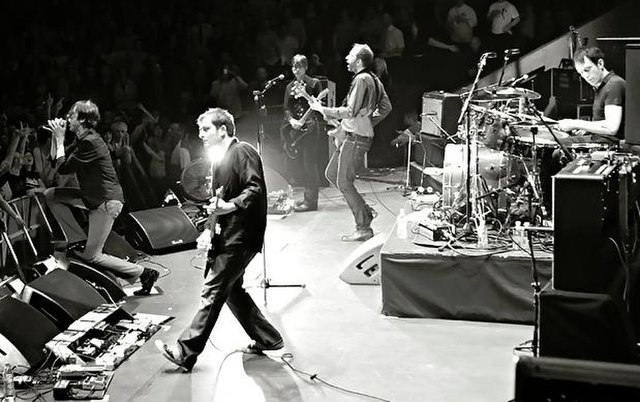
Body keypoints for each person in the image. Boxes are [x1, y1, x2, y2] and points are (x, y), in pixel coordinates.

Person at [155, 108, 283, 372]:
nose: (200, 135)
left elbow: (254, 188)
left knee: (213, 290)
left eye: (206, 129)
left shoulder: (242, 151)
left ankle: (185, 351)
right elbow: (219, 202)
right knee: (232, 291)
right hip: (228, 234)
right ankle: (268, 338)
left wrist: (231, 206)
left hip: (241, 235)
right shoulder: (219, 159)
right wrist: (209, 228)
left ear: (223, 129)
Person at [44, 100, 158, 295]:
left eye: (71, 115)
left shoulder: (91, 142)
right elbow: (56, 161)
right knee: (51, 195)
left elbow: (63, 169)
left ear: (82, 119)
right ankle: (75, 238)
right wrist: (57, 138)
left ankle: (144, 273)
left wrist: (60, 138)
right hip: (92, 197)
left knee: (92, 256)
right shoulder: (82, 139)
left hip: (106, 202)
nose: (67, 119)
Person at [308, 43, 392, 242]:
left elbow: (350, 111)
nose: (346, 58)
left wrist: (322, 110)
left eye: (350, 55)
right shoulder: (374, 79)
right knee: (331, 174)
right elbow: (386, 107)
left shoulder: (362, 79)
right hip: (354, 136)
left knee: (344, 181)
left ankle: (363, 227)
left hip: (355, 139)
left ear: (359, 60)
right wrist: (368, 122)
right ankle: (365, 212)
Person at [557, 47, 626, 142]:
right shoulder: (602, 86)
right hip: (601, 139)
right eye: (581, 73)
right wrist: (588, 128)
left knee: (559, 146)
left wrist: (575, 123)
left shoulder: (614, 85)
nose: (585, 76)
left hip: (613, 145)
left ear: (600, 64)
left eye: (587, 70)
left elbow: (611, 127)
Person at [283, 54, 323, 212]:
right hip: (296, 128)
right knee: (300, 163)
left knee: (309, 163)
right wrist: (292, 120)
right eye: (293, 66)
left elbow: (318, 106)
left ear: (306, 67)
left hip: (311, 127)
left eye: (299, 66)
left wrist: (305, 120)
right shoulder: (289, 86)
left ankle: (311, 202)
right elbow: (286, 108)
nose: (296, 69)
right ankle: (307, 197)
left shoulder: (314, 83)